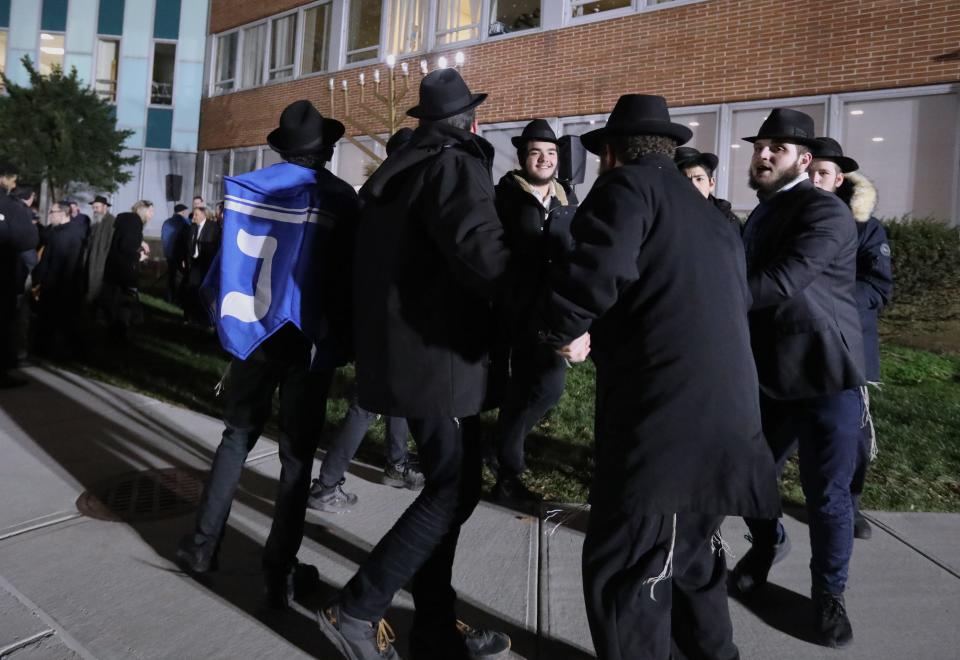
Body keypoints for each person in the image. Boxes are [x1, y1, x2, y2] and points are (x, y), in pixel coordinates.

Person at [535, 94, 779, 660]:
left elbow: (596, 275)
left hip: (669, 429)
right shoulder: (707, 212)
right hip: (725, 425)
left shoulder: (627, 189)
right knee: (691, 566)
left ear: (613, 155)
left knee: (626, 572)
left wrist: (558, 329)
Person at [317, 69, 512, 660]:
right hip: (443, 360)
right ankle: (357, 608)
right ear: (471, 121)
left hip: (408, 356)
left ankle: (432, 620)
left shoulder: (397, 173)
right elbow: (486, 258)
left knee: (451, 488)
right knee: (453, 490)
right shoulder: (453, 166)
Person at [176, 100, 358, 610]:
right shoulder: (340, 199)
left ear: (282, 147)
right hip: (308, 339)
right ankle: (277, 573)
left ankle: (201, 547)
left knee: (235, 438)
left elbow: (222, 268)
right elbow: (349, 280)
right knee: (297, 460)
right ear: (325, 151)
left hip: (253, 333)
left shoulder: (247, 189)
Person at [730, 109, 866, 648]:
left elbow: (784, 281)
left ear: (804, 161)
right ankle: (767, 544)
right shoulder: (760, 213)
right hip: (769, 374)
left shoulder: (825, 211)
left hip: (826, 374)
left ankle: (828, 597)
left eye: (777, 149)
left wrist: (704, 301)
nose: (763, 155)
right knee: (749, 477)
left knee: (827, 496)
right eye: (760, 146)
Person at [307, 127, 423, 515]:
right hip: (386, 315)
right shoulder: (392, 200)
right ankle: (326, 484)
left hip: (382, 313)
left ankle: (395, 463)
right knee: (366, 401)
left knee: (396, 395)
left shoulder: (377, 195)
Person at [489, 118, 578, 504]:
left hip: (553, 307)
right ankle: (507, 469)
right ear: (523, 157)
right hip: (515, 307)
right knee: (532, 383)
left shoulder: (567, 199)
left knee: (545, 385)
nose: (544, 159)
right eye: (536, 153)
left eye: (551, 153)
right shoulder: (505, 195)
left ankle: (501, 449)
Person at [809, 136, 893, 541]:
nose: (815, 179)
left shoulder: (867, 229)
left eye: (823, 173)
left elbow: (878, 288)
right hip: (793, 349)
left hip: (846, 348)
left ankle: (849, 505)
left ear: (839, 178)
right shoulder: (785, 218)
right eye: (809, 172)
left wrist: (830, 298)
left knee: (851, 439)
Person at [0, 160, 39, 387]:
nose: (14, 185)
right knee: (4, 323)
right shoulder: (11, 206)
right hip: (4, 274)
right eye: (13, 179)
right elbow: (29, 239)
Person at [31, 202, 85, 357]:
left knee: (50, 322)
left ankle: (46, 352)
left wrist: (40, 280)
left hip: (55, 285)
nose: (50, 214)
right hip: (61, 284)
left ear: (63, 213)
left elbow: (53, 262)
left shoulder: (63, 235)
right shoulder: (67, 232)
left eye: (52, 212)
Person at [102, 200, 154, 340]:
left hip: (114, 269)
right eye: (150, 211)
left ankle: (116, 330)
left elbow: (125, 239)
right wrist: (139, 256)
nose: (152, 215)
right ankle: (120, 333)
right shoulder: (135, 223)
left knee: (116, 301)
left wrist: (140, 241)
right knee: (125, 303)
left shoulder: (127, 221)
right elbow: (126, 246)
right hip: (124, 270)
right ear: (143, 210)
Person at [673, 146, 740, 224]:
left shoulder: (727, 219)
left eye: (699, 179)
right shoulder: (664, 216)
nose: (693, 185)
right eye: (684, 179)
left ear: (711, 184)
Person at [182, 205, 221, 325]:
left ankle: (204, 318)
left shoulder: (213, 228)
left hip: (206, 265)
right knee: (190, 289)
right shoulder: (192, 227)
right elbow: (188, 244)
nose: (193, 217)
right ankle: (189, 317)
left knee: (202, 291)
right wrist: (186, 259)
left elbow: (214, 247)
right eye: (194, 214)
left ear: (204, 215)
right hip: (194, 263)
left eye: (196, 215)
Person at [85, 195, 116, 305]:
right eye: (93, 208)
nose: (94, 210)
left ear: (105, 207)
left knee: (98, 290)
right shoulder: (96, 222)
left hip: (102, 262)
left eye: (97, 207)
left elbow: (111, 244)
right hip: (92, 260)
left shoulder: (112, 222)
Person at [161, 203, 191, 303]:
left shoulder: (166, 222)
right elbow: (185, 240)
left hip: (168, 253)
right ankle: (178, 298)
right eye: (186, 212)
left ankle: (169, 298)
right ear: (182, 212)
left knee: (171, 276)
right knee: (180, 277)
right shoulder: (184, 223)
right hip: (179, 254)